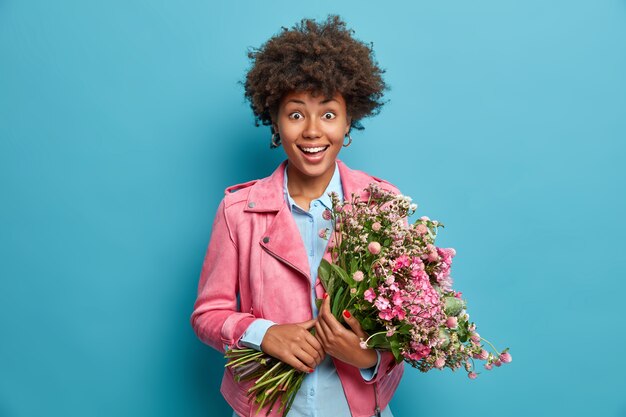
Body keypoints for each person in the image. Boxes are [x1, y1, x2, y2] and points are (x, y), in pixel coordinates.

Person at [190, 15, 405, 417]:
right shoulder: (238, 210)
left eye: (327, 114)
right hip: (265, 407)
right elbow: (207, 314)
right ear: (275, 122)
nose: (311, 131)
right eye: (295, 114)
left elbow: (404, 324)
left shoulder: (383, 206)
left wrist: (366, 358)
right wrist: (264, 333)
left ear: (348, 121)